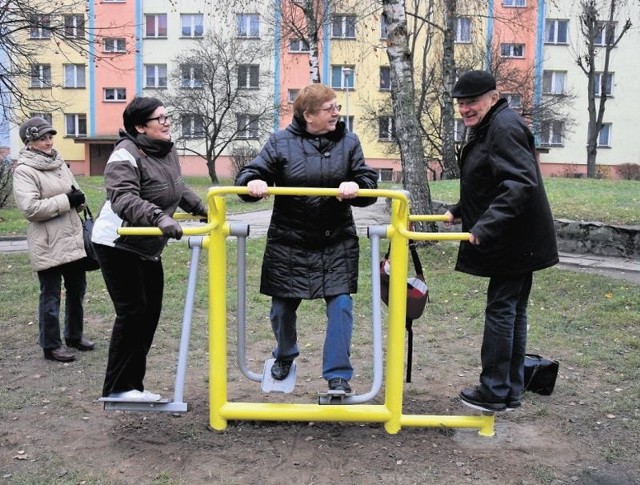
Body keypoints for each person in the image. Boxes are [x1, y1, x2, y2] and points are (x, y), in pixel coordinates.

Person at [235, 83, 378, 394]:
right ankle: (284, 355)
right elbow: (249, 174)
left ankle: (338, 374)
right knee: (282, 309)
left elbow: (367, 179)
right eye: (329, 109)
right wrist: (254, 182)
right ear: (308, 115)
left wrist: (357, 186)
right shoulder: (280, 142)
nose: (336, 113)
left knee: (341, 306)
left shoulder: (349, 142)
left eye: (336, 107)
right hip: (290, 241)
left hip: (335, 240)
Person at [445, 70, 559, 412]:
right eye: (461, 104)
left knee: (501, 310)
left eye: (472, 102)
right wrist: (461, 210)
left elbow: (520, 183)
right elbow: (491, 180)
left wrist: (486, 225)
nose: (465, 109)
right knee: (511, 310)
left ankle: (494, 390)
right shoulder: (492, 125)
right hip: (518, 236)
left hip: (513, 237)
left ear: (493, 98)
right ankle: (509, 390)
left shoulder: (503, 127)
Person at [91, 97, 208, 402]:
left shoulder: (166, 151)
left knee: (150, 313)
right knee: (133, 312)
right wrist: (159, 216)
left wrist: (200, 207)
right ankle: (119, 388)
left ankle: (132, 386)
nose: (167, 122)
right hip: (117, 242)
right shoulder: (124, 154)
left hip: (146, 245)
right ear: (140, 126)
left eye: (168, 116)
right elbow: (124, 199)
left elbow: (176, 187)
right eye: (160, 119)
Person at [13, 117, 95, 362]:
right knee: (50, 294)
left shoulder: (59, 163)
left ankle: (74, 335)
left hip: (71, 238)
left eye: (49, 137)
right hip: (46, 242)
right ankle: (51, 345)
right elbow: (30, 209)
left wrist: (79, 200)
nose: (48, 142)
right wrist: (66, 201)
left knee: (77, 289)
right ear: (29, 143)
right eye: (41, 138)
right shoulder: (24, 171)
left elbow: (73, 193)